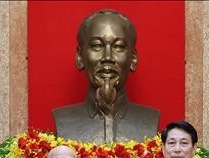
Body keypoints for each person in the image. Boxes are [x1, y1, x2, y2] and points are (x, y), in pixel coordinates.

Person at [52, 9, 160, 143]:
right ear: (80, 57)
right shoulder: (63, 120)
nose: (107, 57)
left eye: (118, 47)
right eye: (97, 46)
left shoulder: (150, 119)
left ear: (133, 59)